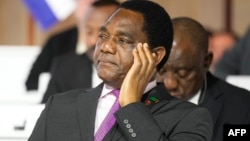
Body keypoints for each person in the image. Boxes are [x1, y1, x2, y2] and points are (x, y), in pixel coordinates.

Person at [28, 1, 213, 141]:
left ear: (155, 55)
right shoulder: (59, 106)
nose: (105, 47)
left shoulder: (189, 117)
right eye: (103, 36)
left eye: (123, 40)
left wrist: (131, 106)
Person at [156, 17, 250, 141]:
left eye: (182, 73)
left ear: (206, 62)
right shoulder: (138, 103)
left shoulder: (242, 107)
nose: (170, 84)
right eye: (161, 71)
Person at [41, 0, 120, 103]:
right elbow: (47, 112)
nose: (93, 41)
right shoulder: (64, 68)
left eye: (102, 34)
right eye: (89, 32)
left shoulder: (137, 70)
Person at [25, 0, 94, 91]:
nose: (86, 9)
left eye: (91, 4)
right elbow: (33, 79)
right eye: (82, 4)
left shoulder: (110, 42)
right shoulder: (57, 41)